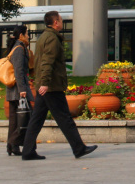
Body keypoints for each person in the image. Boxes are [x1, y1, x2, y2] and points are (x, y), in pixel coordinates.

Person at [21, 11, 97, 161]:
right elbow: (47, 62)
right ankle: (79, 148)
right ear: (55, 22)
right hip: (51, 86)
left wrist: (42, 83)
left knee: (36, 119)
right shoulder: (52, 39)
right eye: (61, 20)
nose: (62, 22)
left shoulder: (44, 36)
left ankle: (28, 151)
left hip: (47, 86)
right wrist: (45, 83)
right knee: (64, 118)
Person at [5, 25, 33, 157]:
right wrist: (23, 90)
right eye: (27, 34)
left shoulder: (18, 47)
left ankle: (12, 146)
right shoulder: (19, 49)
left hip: (13, 91)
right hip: (18, 90)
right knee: (25, 118)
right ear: (21, 35)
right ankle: (13, 143)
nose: (28, 36)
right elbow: (19, 71)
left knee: (15, 120)